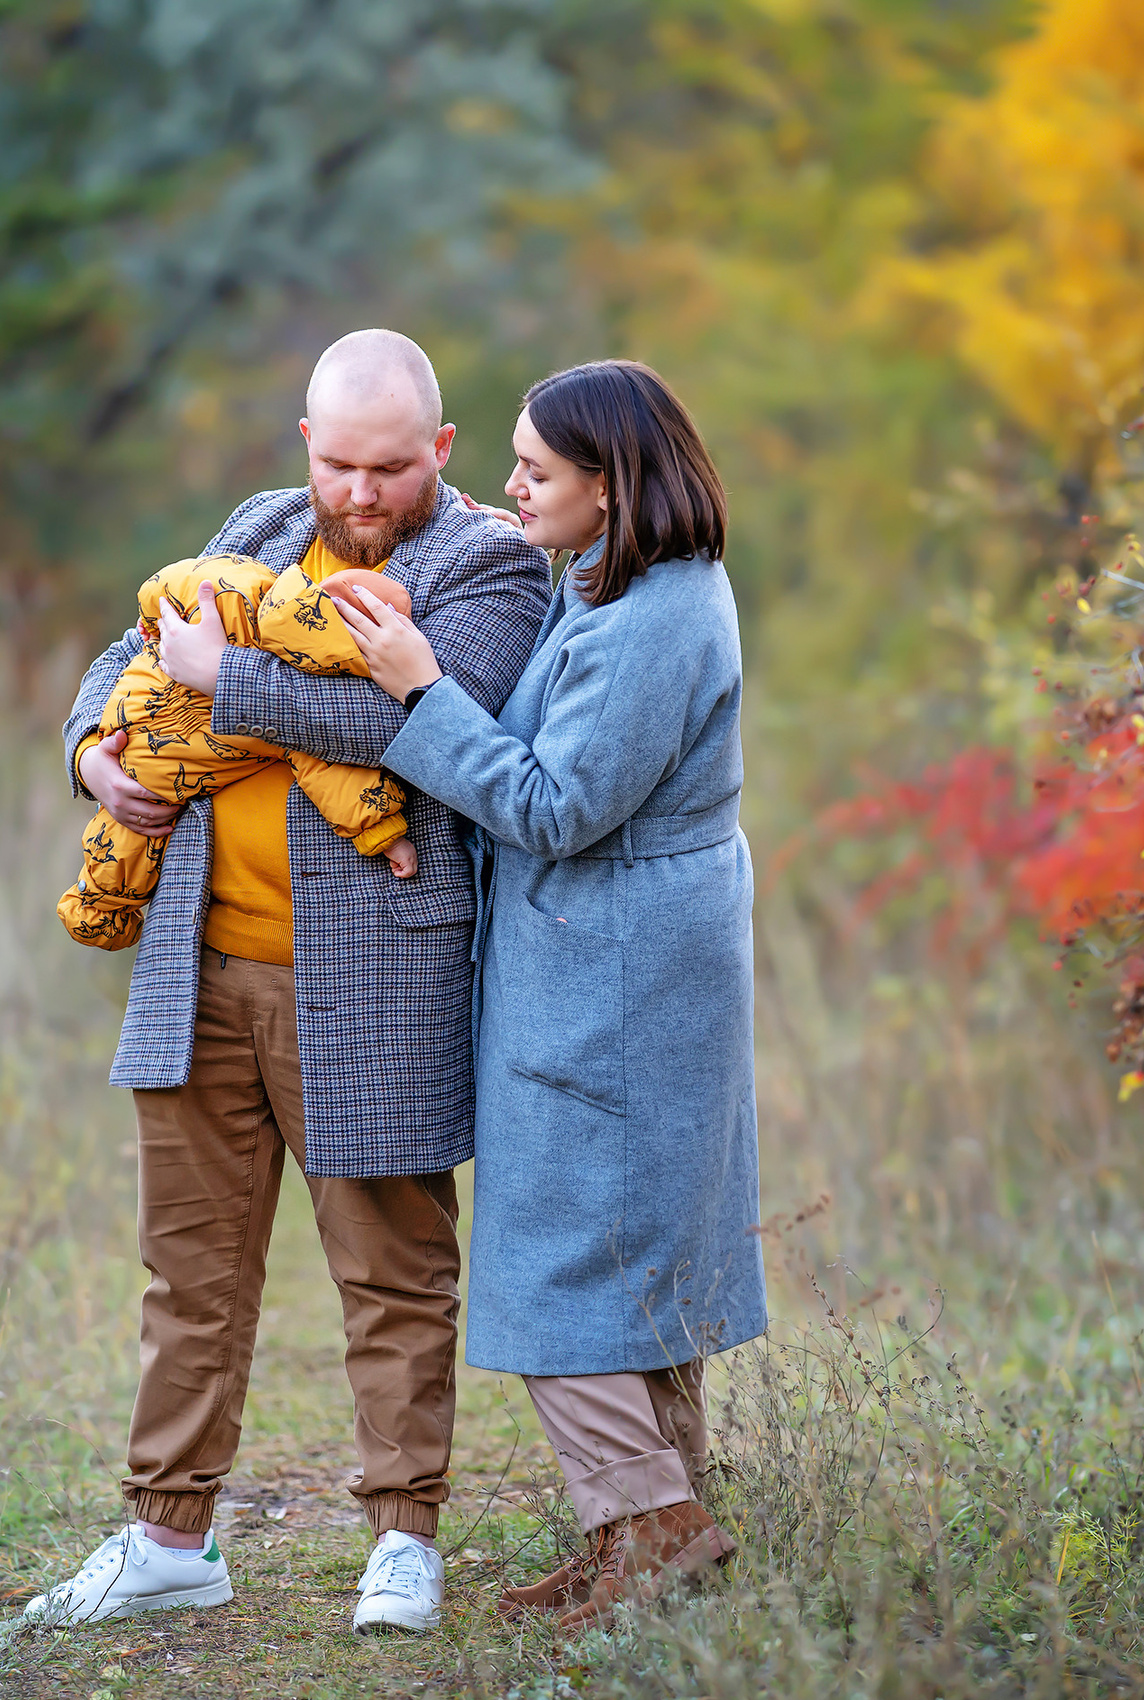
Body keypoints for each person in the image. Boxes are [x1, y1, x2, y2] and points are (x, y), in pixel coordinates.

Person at [26, 330, 551, 1634]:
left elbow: (427, 728)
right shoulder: (259, 524)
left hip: (375, 984)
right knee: (187, 1268)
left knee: (393, 1268)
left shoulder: (485, 565)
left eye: (391, 467)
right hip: (198, 967)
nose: (362, 495)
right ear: (305, 445)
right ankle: (167, 1537)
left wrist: (227, 681)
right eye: (342, 466)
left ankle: (404, 1539)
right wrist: (96, 750)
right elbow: (125, 653)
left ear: (439, 450)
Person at [339, 358, 767, 1633]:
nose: (512, 483)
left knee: (562, 1254)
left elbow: (553, 802)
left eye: (538, 468)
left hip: (617, 970)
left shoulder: (656, 620)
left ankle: (661, 1528)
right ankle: (635, 1529)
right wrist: (493, 521)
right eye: (512, 461)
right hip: (616, 950)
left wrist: (418, 686)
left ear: (611, 483)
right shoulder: (614, 576)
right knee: (632, 1251)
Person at [55, 554, 418, 953]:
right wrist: (88, 754)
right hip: (147, 772)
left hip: (316, 954)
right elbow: (328, 766)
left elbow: (418, 723)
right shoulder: (261, 523)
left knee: (120, 848)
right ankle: (96, 911)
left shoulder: (244, 588)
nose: (362, 494)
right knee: (125, 844)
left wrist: (217, 669)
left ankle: (96, 910)